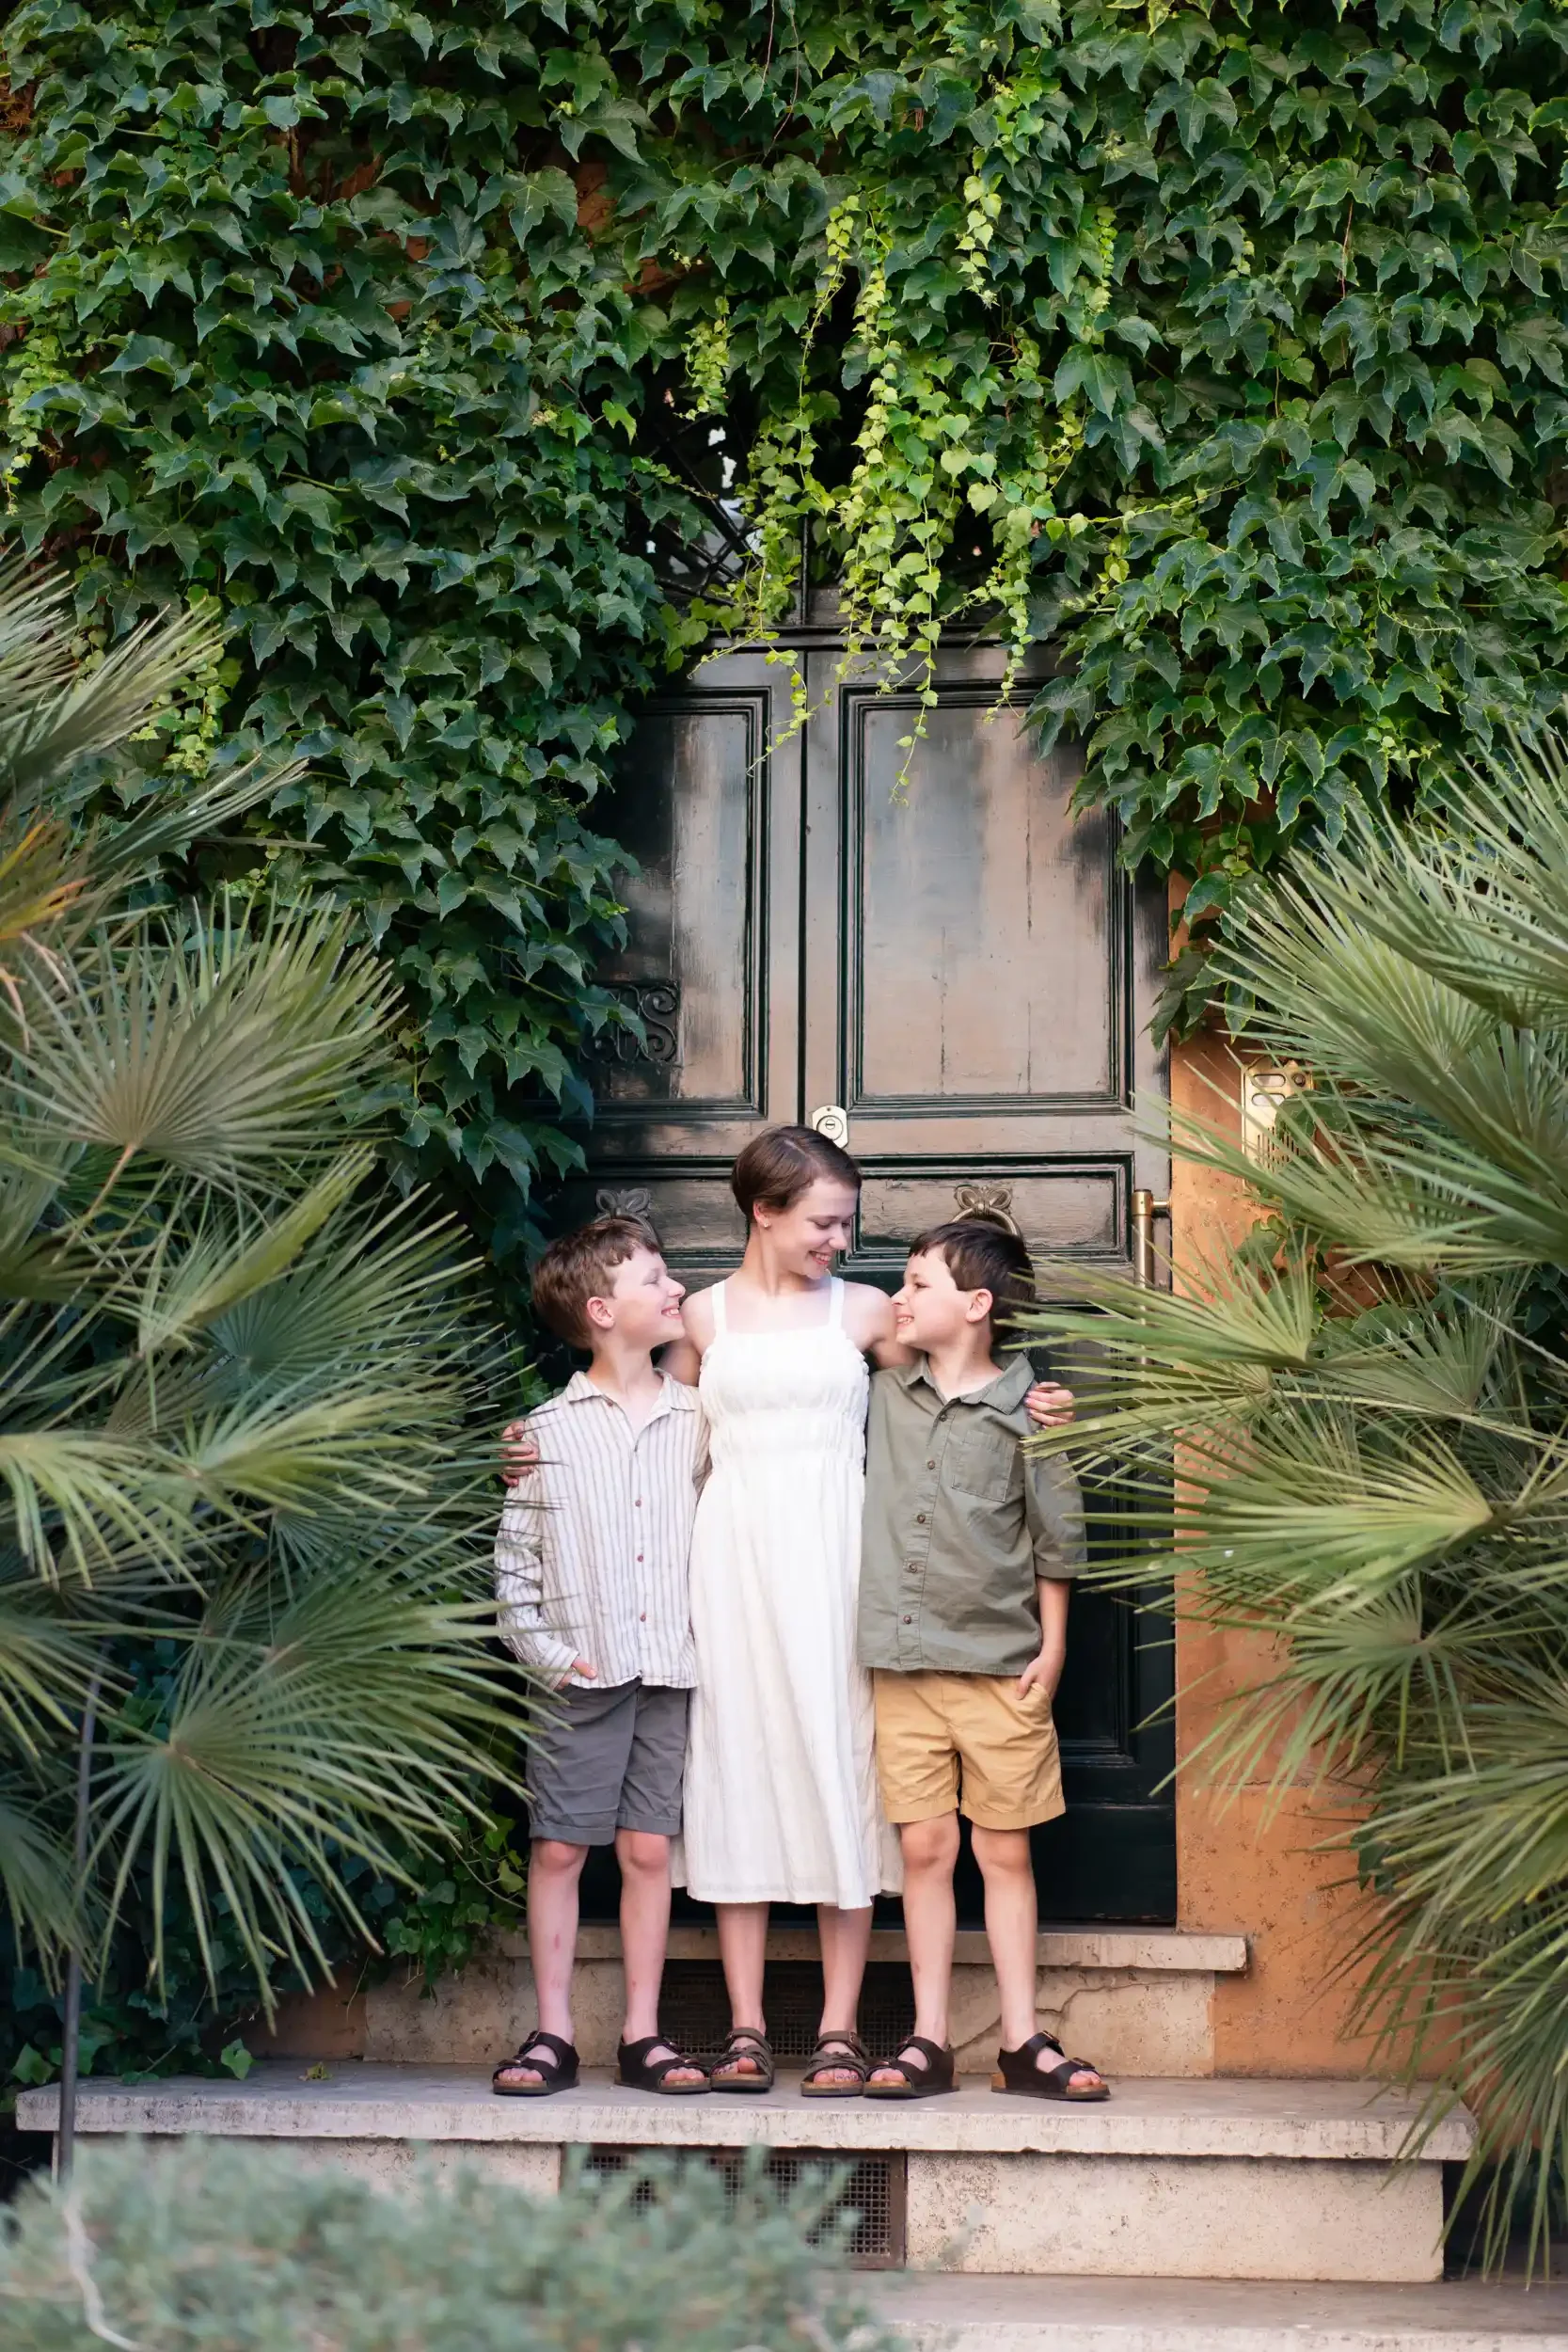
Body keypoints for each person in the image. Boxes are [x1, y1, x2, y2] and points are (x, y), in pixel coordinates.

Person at [656, 1129, 1073, 2098]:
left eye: (845, 1220)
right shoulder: (702, 1317)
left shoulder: (864, 1314)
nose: (841, 1240)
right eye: (824, 1221)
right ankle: (746, 2024)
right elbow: (650, 1429)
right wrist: (541, 1444)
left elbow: (958, 1381)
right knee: (738, 1766)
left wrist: (1040, 1408)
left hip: (846, 1563)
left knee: (847, 1769)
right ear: (762, 1211)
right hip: (735, 1563)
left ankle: (841, 2025)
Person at [858, 1218, 1109, 2103]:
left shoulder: (1029, 1411)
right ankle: (926, 2038)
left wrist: (1055, 1645)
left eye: (916, 1283)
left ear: (976, 1305)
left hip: (1002, 1671)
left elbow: (1057, 1537)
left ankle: (1019, 2039)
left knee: (1001, 1853)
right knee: (923, 1849)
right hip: (904, 1666)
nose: (897, 1297)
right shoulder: (885, 1394)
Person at [489, 1216, 710, 2098]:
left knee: (649, 1851)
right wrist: (547, 1657)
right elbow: (515, 1559)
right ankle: (551, 2031)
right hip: (581, 1673)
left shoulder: (700, 1419)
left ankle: (643, 2033)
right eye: (654, 1280)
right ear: (601, 1310)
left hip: (668, 1667)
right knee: (559, 1850)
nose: (674, 1291)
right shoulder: (544, 1432)